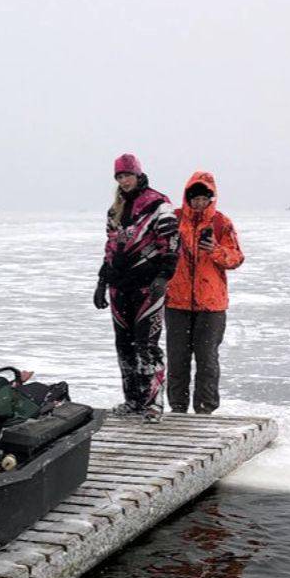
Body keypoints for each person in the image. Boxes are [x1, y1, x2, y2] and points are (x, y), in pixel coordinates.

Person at [94, 153, 180, 423]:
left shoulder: (158, 203)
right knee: (124, 346)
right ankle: (133, 400)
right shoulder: (114, 210)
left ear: (138, 174)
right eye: (119, 176)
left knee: (147, 345)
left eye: (127, 175)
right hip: (119, 287)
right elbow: (110, 248)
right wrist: (101, 282)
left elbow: (172, 241)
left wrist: (164, 276)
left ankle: (153, 403)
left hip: (147, 286)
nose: (124, 180)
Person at [165, 172, 244, 414]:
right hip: (176, 302)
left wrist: (215, 250)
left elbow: (236, 258)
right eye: (195, 198)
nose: (199, 203)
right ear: (187, 198)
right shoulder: (174, 219)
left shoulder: (221, 223)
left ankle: (205, 409)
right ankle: (178, 407)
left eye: (203, 199)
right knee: (177, 359)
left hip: (211, 305)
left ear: (211, 199)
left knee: (207, 359)